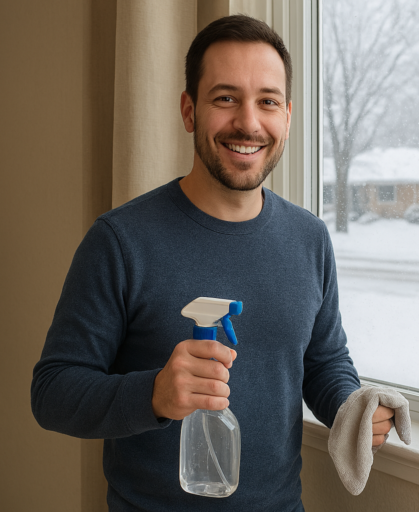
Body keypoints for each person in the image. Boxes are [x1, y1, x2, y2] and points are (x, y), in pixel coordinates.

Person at [31, 15, 393, 511]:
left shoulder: (310, 238)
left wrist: (352, 408)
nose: (248, 122)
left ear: (287, 115)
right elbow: (53, 394)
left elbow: (323, 362)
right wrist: (155, 394)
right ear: (189, 110)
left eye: (267, 101)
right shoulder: (119, 242)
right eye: (225, 98)